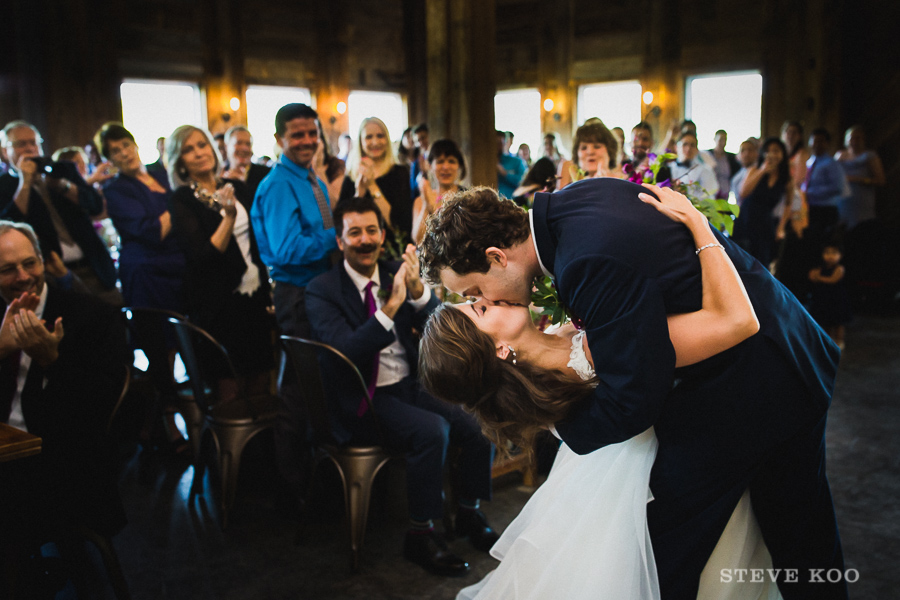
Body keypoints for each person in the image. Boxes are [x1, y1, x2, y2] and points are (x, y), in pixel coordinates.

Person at [418, 181, 847, 599]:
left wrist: (568, 425)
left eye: (475, 292)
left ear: (496, 256)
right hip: (772, 357)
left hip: (763, 378)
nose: (486, 300)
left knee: (718, 550)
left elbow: (634, 397)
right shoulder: (583, 198)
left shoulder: (583, 264)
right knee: (798, 540)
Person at [305, 196, 496, 577]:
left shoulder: (395, 270)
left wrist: (417, 292)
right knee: (432, 431)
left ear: (382, 234)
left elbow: (439, 326)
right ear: (340, 241)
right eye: (354, 233)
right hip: (363, 397)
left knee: (477, 422)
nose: (365, 240)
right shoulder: (322, 290)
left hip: (409, 384)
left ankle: (469, 513)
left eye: (371, 230)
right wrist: (389, 309)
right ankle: (419, 534)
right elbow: (346, 352)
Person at [0, 221, 128, 546]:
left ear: (43, 260)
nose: (23, 276)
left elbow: (99, 409)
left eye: (29, 263)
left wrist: (52, 361)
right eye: (7, 269)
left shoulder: (90, 315)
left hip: (63, 463)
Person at [95, 122, 188, 454]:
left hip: (178, 269)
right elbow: (152, 232)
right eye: (116, 151)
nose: (124, 152)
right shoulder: (117, 190)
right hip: (146, 274)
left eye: (126, 145)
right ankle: (170, 421)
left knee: (180, 345)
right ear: (110, 159)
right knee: (158, 349)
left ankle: (154, 423)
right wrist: (178, 203)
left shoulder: (160, 172)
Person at [167, 125, 274, 404]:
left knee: (262, 381)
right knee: (230, 390)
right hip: (218, 305)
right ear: (180, 162)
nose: (199, 153)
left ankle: (262, 446)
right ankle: (230, 447)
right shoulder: (183, 199)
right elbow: (204, 257)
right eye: (188, 150)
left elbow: (257, 239)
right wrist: (227, 216)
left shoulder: (236, 187)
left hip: (254, 297)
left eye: (202, 145)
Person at [0, 121, 119, 304]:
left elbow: (94, 205)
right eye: (21, 144)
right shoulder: (4, 185)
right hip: (51, 276)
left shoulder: (63, 170)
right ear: (5, 151)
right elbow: (9, 226)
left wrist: (61, 185)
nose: (29, 149)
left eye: (34, 143)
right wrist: (25, 183)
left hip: (94, 267)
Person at [344, 117, 413, 244]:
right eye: (369, 137)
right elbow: (345, 223)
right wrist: (359, 194)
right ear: (360, 141)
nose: (375, 142)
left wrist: (372, 185)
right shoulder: (351, 175)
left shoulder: (400, 172)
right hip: (361, 246)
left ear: (387, 139)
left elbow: (400, 226)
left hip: (393, 248)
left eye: (380, 136)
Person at [732, 137, 791, 268]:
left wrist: (781, 227)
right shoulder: (755, 170)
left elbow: (788, 204)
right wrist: (763, 170)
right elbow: (743, 192)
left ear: (782, 154)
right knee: (742, 261)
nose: (771, 155)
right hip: (747, 218)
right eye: (768, 151)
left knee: (762, 263)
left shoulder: (786, 178)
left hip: (765, 222)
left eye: (776, 151)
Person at [411, 139, 466, 244]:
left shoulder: (468, 198)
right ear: (430, 166)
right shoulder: (420, 201)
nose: (445, 167)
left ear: (459, 165)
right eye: (440, 161)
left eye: (451, 161)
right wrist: (427, 205)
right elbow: (418, 240)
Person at [835, 125, 885, 230]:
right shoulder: (839, 156)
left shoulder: (870, 156)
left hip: (862, 205)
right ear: (846, 140)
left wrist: (856, 179)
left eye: (858, 138)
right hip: (842, 204)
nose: (854, 141)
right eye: (852, 137)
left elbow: (881, 180)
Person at [808, 242, 851, 349]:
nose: (830, 256)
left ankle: (839, 341)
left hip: (837, 299)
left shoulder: (839, 268)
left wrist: (819, 278)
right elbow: (811, 276)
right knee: (826, 321)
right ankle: (828, 340)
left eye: (834, 253)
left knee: (838, 322)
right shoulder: (820, 268)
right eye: (827, 253)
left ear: (840, 255)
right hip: (824, 298)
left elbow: (833, 279)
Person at [557, 120, 621, 190]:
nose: (590, 152)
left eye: (597, 146)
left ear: (610, 150)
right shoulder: (572, 188)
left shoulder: (626, 182)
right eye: (584, 148)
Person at [222, 125, 271, 201]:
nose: (244, 148)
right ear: (226, 146)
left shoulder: (266, 174)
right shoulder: (221, 175)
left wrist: (242, 184)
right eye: (238, 143)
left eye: (248, 144)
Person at [669, 131, 719, 200]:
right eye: (685, 144)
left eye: (692, 145)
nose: (688, 148)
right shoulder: (668, 168)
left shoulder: (705, 171)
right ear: (676, 147)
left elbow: (709, 197)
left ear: (697, 149)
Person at [704, 129, 740, 199]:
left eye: (724, 140)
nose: (722, 143)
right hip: (709, 194)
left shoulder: (731, 158)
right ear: (715, 139)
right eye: (720, 139)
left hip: (725, 194)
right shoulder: (707, 155)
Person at [495, 130, 527, 199]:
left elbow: (521, 182)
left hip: (510, 202)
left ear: (505, 143)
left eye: (500, 143)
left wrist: (504, 173)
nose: (497, 147)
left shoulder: (517, 162)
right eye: (495, 143)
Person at [729, 138, 759, 206]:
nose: (746, 154)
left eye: (750, 150)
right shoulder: (736, 177)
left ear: (756, 153)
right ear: (737, 156)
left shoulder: (760, 173)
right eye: (743, 151)